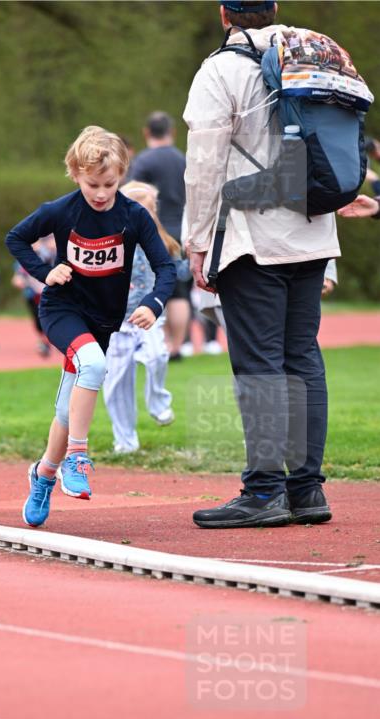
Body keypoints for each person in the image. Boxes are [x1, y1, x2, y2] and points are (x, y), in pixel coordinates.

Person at [184, 0, 340, 529]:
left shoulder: (221, 69)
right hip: (314, 228)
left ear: (223, 14)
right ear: (274, 8)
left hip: (253, 236)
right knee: (303, 358)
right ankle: (308, 490)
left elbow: (204, 164)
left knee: (260, 364)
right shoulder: (314, 52)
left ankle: (265, 491)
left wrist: (197, 240)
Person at [6, 125, 175, 527]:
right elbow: (16, 239)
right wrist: (45, 273)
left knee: (68, 408)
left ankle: (44, 474)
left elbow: (166, 267)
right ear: (75, 174)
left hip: (102, 319)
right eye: (92, 185)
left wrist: (153, 303)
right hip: (62, 310)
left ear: (122, 176)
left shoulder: (133, 216)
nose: (100, 194)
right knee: (95, 366)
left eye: (109, 185)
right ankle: (77, 458)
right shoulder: (61, 210)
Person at [103, 181, 180, 452]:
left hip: (148, 317)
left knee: (158, 355)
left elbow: (173, 267)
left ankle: (158, 402)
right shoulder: (109, 239)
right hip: (115, 323)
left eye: (149, 211)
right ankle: (125, 441)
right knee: (117, 382)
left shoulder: (159, 240)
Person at [127, 111, 191, 359]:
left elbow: (132, 196)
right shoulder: (183, 159)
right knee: (179, 291)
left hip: (152, 231)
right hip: (180, 230)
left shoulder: (143, 161)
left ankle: (156, 342)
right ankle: (177, 346)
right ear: (172, 132)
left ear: (146, 132)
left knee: (151, 286)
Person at [11, 235, 56, 357]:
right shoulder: (25, 254)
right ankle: (43, 339)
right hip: (32, 293)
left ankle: (47, 341)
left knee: (50, 317)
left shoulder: (51, 252)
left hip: (50, 293)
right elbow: (19, 272)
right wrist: (18, 279)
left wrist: (52, 246)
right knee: (37, 319)